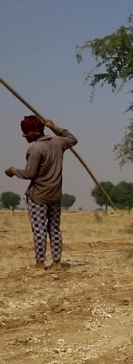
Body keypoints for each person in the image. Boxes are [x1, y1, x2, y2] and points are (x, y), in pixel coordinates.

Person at [5, 116, 78, 270]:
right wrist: (54, 127)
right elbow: (72, 139)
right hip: (55, 194)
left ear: (37, 131)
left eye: (26, 132)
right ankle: (57, 263)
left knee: (39, 230)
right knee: (54, 229)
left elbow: (29, 174)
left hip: (38, 196)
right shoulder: (58, 142)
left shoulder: (35, 149)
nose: (24, 135)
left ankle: (39, 263)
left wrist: (13, 171)